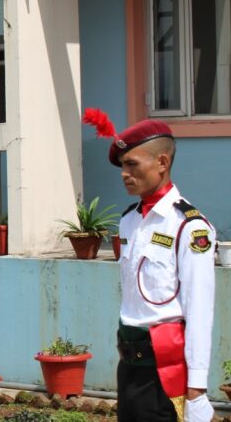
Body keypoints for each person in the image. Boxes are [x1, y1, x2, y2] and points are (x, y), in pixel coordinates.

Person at [84, 111, 216, 422]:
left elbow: (199, 309)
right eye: (122, 166)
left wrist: (196, 387)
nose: (124, 174)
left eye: (132, 164)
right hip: (129, 365)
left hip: (165, 369)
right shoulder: (130, 220)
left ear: (162, 163)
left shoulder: (189, 226)